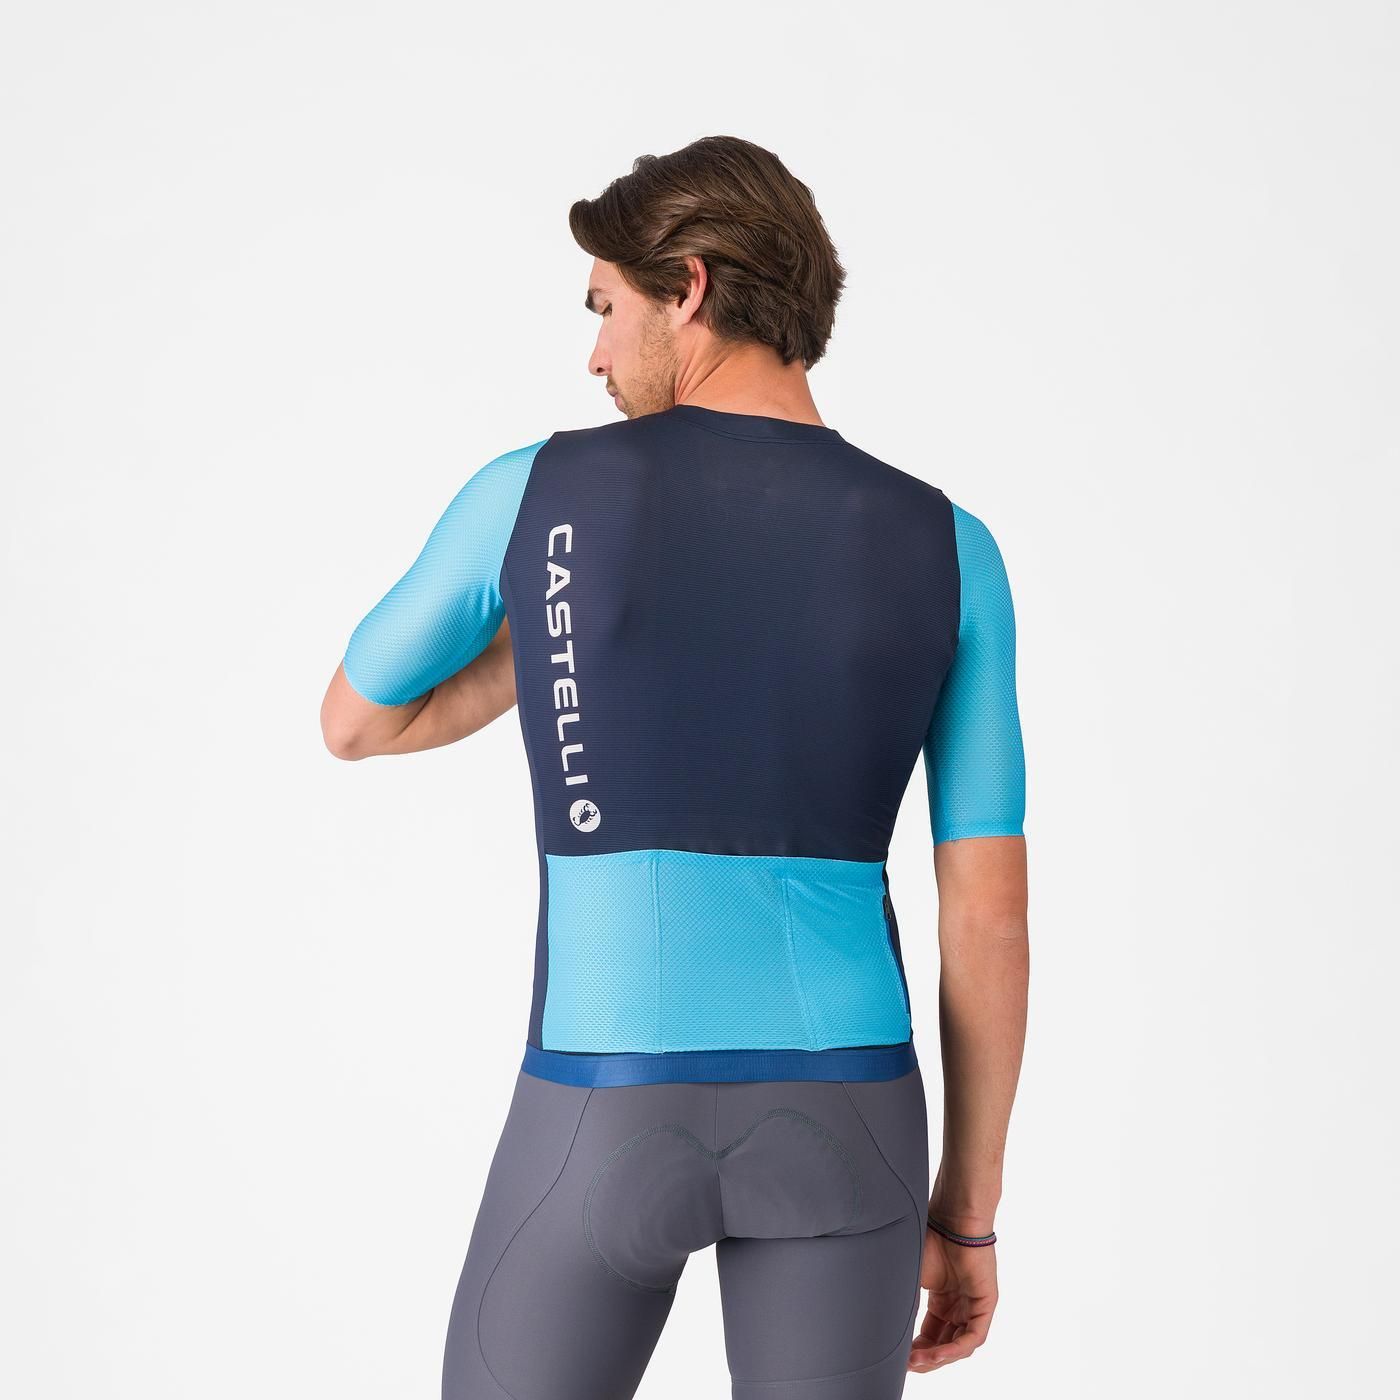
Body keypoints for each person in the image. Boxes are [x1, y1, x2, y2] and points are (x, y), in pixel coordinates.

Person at [320, 135, 1029, 1400]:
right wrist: (965, 1217)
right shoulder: (951, 545)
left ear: (686, 287)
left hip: (603, 1098)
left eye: (603, 307)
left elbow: (359, 718)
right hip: (849, 1109)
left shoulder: (535, 493)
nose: (593, 356)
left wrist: (553, 635)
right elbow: (988, 913)